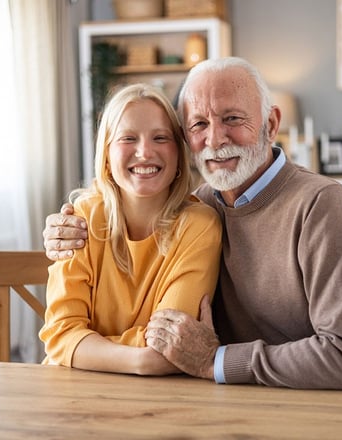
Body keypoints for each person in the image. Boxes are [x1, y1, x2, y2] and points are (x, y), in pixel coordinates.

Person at [43, 57, 342, 389]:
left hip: (314, 406)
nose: (215, 139)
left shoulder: (321, 203)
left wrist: (217, 361)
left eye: (233, 118)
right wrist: (61, 231)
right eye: (199, 125)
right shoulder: (202, 203)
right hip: (219, 401)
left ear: (270, 125)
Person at [38, 83, 222, 376]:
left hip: (154, 399)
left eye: (161, 138)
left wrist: (87, 346)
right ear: (107, 156)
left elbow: (170, 345)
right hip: (70, 392)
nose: (145, 152)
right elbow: (60, 336)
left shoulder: (199, 226)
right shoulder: (80, 219)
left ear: (178, 155)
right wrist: (142, 361)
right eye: (128, 138)